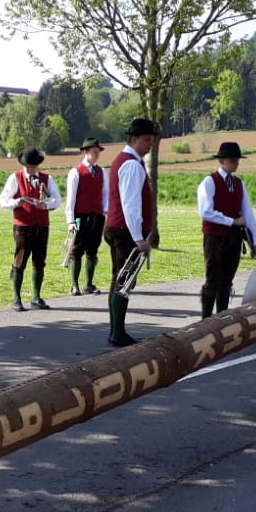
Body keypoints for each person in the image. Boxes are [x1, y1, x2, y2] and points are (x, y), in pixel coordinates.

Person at [105, 118, 159, 346]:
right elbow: (131, 204)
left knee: (119, 278)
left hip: (117, 227)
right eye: (146, 140)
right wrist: (138, 237)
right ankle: (117, 333)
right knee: (124, 280)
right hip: (124, 231)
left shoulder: (125, 160)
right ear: (134, 139)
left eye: (152, 141)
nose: (150, 145)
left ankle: (116, 330)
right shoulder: (132, 165)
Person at [196, 142, 256, 318]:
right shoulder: (210, 182)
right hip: (215, 238)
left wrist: (253, 241)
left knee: (227, 281)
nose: (236, 164)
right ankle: (206, 320)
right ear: (221, 161)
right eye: (232, 160)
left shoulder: (239, 184)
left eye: (237, 160)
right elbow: (206, 212)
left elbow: (248, 213)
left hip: (234, 239)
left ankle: (221, 318)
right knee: (213, 280)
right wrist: (231, 221)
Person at [0, 147, 62, 311]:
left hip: (42, 226)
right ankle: (17, 299)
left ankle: (36, 297)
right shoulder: (15, 178)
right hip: (23, 226)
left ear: (38, 165)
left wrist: (45, 204)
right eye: (27, 166)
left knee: (39, 262)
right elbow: (3, 200)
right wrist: (17, 202)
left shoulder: (47, 179)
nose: (29, 169)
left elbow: (57, 199)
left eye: (32, 166)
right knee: (20, 261)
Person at [64, 137, 108, 296]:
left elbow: (106, 194)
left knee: (92, 250)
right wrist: (70, 221)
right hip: (80, 216)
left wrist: (105, 211)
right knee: (77, 250)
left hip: (97, 216)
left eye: (98, 152)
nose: (97, 154)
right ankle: (74, 285)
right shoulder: (76, 172)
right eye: (94, 151)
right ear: (86, 152)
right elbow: (71, 199)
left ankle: (89, 284)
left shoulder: (102, 172)